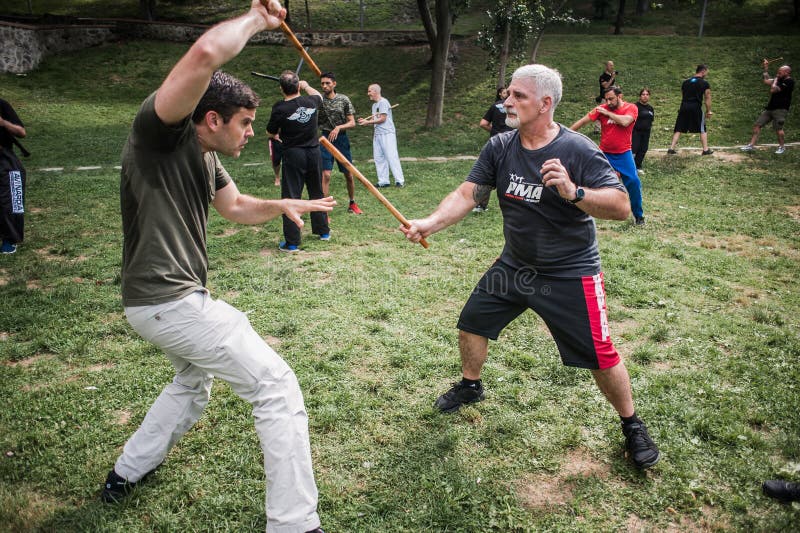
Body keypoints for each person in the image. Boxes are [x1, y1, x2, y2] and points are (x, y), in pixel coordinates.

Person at [103, 3, 333, 533]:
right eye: (246, 123)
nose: (252, 132)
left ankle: (125, 474)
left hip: (159, 303)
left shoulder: (206, 156)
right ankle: (295, 525)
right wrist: (258, 18)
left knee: (192, 381)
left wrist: (280, 207)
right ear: (212, 119)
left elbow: (234, 208)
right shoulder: (161, 132)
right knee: (275, 386)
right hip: (168, 299)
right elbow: (205, 53)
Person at [401, 64, 660, 471]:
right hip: (515, 264)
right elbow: (469, 192)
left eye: (518, 96)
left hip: (569, 271)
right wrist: (429, 223)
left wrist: (574, 192)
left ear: (544, 104)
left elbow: (622, 205)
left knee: (600, 354)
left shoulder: (576, 149)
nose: (507, 101)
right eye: (509, 94)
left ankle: (632, 425)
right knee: (472, 322)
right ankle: (471, 386)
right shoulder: (500, 146)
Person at [267, 71, 331, 251]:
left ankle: (292, 242)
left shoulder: (279, 108)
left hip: (294, 154)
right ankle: (323, 231)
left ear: (281, 89)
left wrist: (278, 134)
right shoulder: (311, 102)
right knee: (316, 191)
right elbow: (318, 95)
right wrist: (306, 85)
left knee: (291, 196)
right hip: (313, 152)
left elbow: (270, 132)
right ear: (297, 86)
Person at [571, 86, 645, 226]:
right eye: (607, 99)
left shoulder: (631, 108)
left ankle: (638, 216)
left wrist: (607, 113)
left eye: (611, 99)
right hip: (604, 153)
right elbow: (582, 121)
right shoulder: (602, 109)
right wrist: (565, 134)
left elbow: (625, 122)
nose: (609, 102)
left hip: (624, 154)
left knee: (634, 182)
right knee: (588, 182)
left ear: (619, 96)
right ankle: (581, 213)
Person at [318, 71, 362, 214]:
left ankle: (352, 203)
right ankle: (324, 210)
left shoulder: (343, 99)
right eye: (322, 83)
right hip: (325, 140)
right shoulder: (318, 100)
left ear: (334, 84)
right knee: (326, 175)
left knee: (348, 174)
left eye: (327, 83)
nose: (324, 86)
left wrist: (338, 127)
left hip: (341, 139)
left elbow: (352, 123)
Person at [741, 62, 794, 154]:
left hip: (781, 109)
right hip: (770, 108)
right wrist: (766, 69)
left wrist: (776, 79)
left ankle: (782, 147)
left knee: (778, 129)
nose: (778, 73)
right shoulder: (779, 79)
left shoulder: (789, 82)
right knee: (758, 125)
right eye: (778, 71)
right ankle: (751, 145)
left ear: (787, 72)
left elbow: (773, 89)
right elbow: (766, 81)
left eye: (780, 72)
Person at [358, 84, 404, 188]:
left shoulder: (384, 102)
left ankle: (399, 181)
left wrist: (368, 122)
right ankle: (383, 181)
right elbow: (376, 119)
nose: (368, 93)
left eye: (369, 91)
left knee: (391, 156)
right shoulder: (374, 105)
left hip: (387, 133)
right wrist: (365, 121)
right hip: (378, 134)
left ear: (375, 91)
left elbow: (383, 119)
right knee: (379, 157)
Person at [476, 86, 513, 212]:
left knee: (488, 175)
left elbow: (483, 123)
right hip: (514, 143)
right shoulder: (518, 106)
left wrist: (495, 132)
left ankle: (480, 205)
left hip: (495, 144)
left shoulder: (495, 106)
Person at [0, 97, 27, 254]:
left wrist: (3, 123)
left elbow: (22, 132)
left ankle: (9, 239)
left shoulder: (2, 105)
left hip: (5, 160)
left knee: (9, 201)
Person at [668, 64, 713, 155]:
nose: (706, 74)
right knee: (702, 128)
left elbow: (683, 95)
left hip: (684, 106)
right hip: (695, 107)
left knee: (679, 127)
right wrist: (708, 111)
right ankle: (705, 150)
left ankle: (671, 148)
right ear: (703, 71)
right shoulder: (704, 83)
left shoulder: (685, 82)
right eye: (706, 72)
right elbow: (707, 98)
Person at [632, 87, 654, 171]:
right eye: (643, 94)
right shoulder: (635, 106)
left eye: (647, 94)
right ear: (640, 96)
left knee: (643, 149)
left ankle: (638, 166)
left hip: (646, 132)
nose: (645, 96)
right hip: (636, 132)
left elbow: (651, 120)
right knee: (634, 149)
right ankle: (631, 166)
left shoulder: (650, 108)